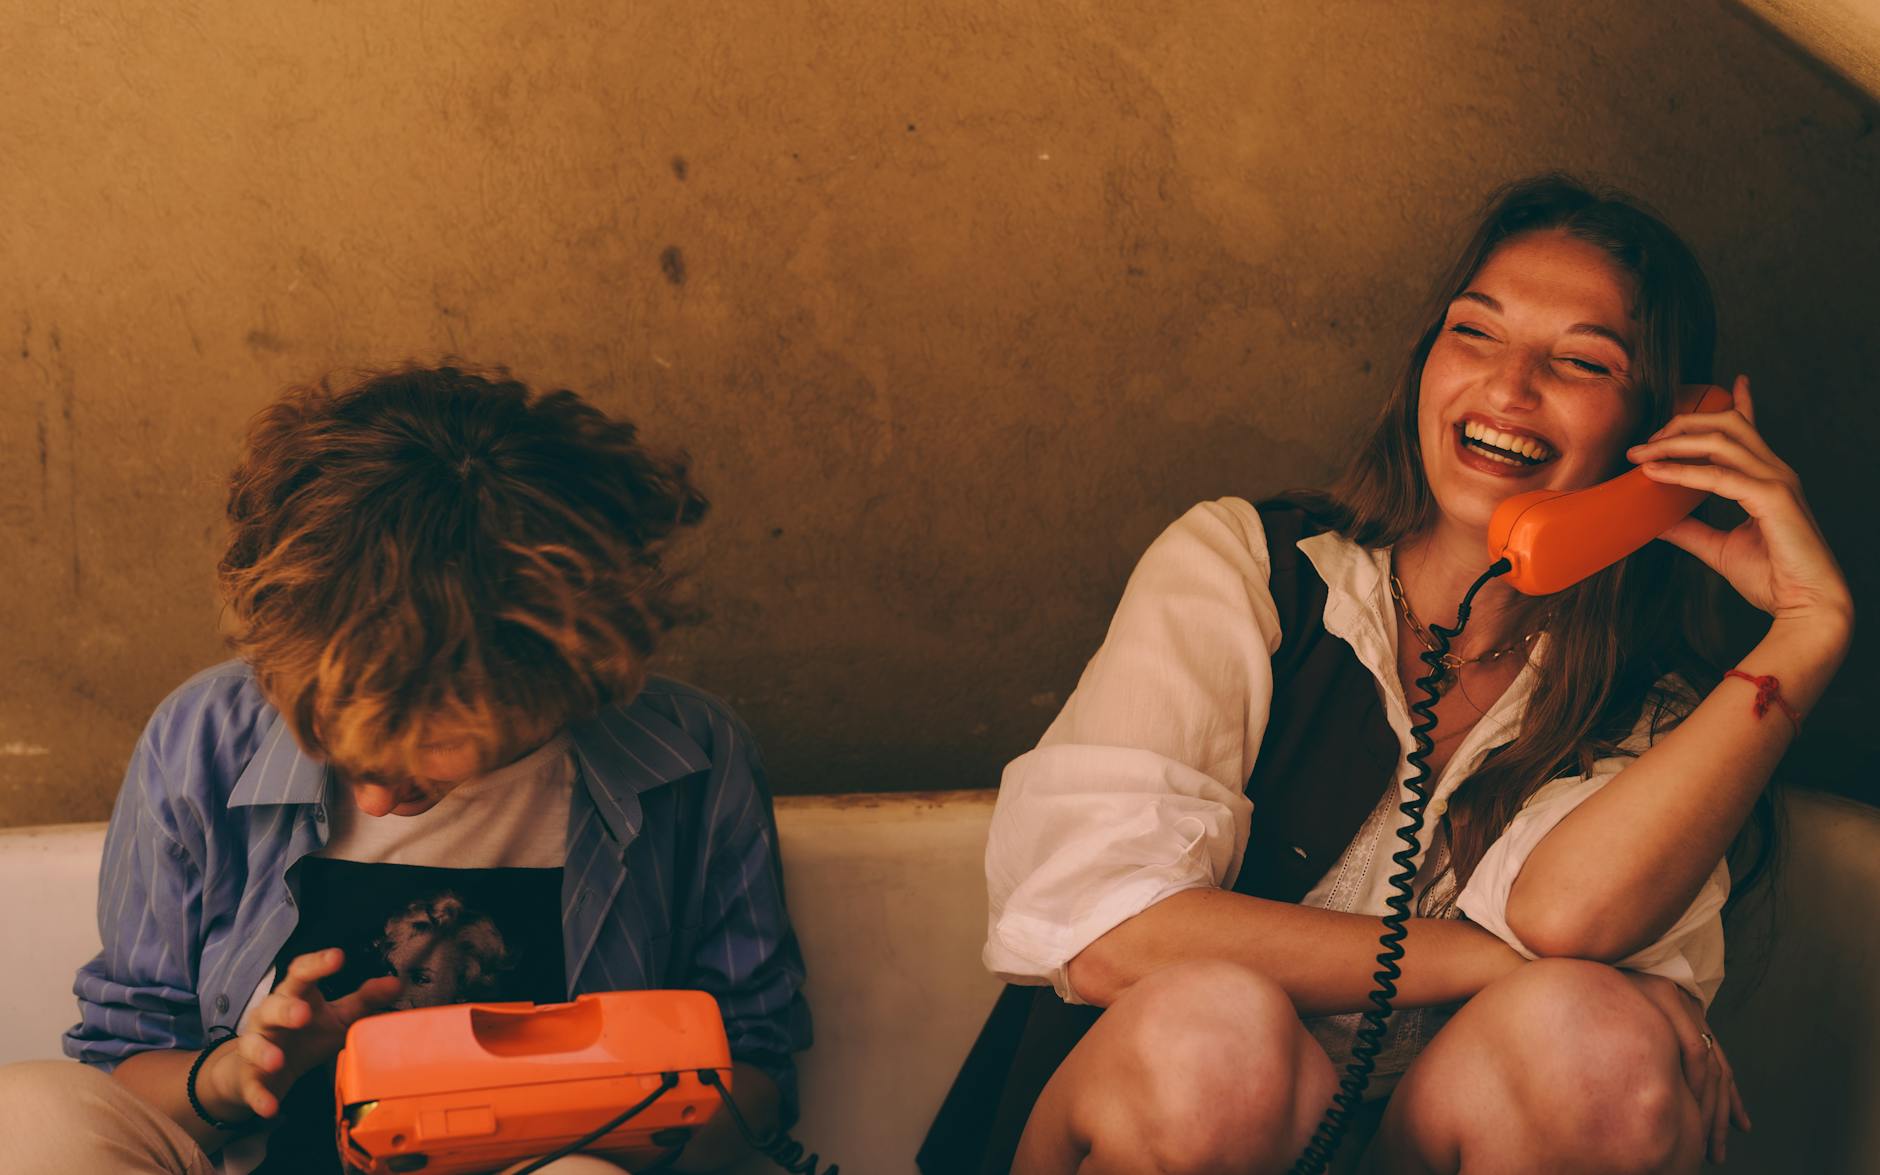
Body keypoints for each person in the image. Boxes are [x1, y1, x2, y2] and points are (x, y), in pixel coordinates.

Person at [921, 174, 1853, 1174]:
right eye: (1474, 332)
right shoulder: (1247, 567)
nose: (1508, 387)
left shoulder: (1653, 713)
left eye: (1581, 360)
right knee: (1217, 1039)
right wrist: (1483, 960)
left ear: (1663, 434)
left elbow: (1566, 918)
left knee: (1594, 1045)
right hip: (1171, 1117)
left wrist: (1807, 631)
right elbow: (1112, 928)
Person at [0, 365, 811, 1173]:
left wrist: (595, 1118)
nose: (377, 797)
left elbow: (756, 1068)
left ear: (556, 675)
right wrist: (232, 1077)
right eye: (334, 741)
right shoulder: (203, 737)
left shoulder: (691, 758)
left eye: (427, 757)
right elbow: (123, 1062)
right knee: (26, 1116)